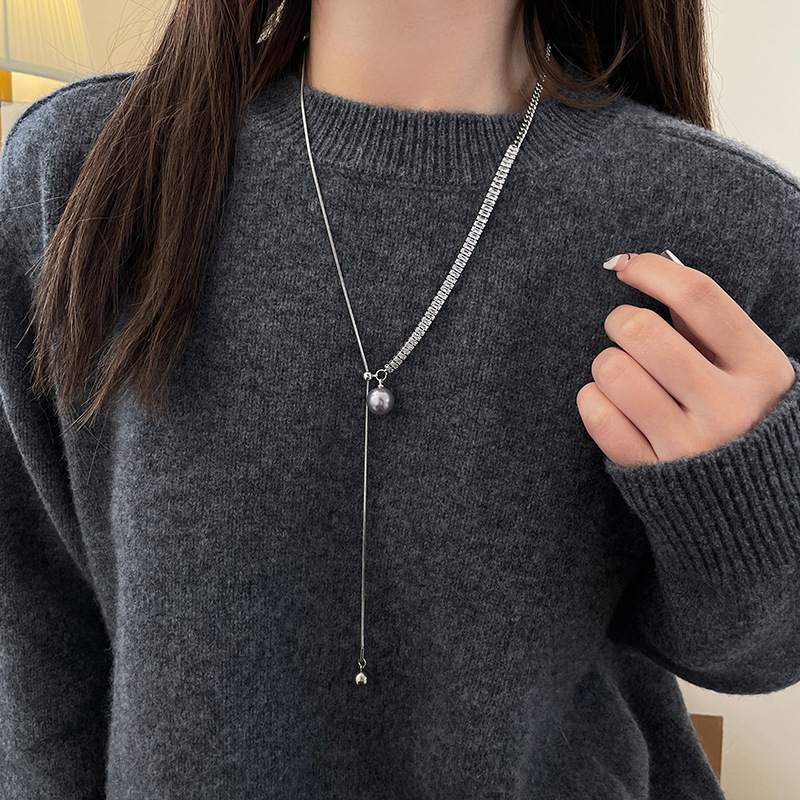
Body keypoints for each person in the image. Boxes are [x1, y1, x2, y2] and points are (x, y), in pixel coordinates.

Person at [1, 0, 799, 797]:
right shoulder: (79, 174)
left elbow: (759, 654)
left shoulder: (730, 226)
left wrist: (744, 505)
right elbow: (31, 634)